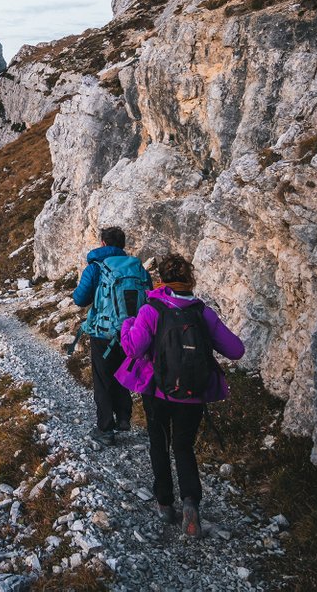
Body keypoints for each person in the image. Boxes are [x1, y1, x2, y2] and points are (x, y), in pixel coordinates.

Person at [115, 253, 245, 538]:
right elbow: (236, 350)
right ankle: (191, 502)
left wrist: (127, 325)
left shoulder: (152, 309)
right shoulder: (203, 313)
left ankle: (164, 504)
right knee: (183, 447)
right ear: (190, 279)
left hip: (158, 390)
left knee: (159, 444)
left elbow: (135, 349)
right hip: (193, 394)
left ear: (161, 279)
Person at [71, 226, 145, 446]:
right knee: (123, 374)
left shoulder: (96, 267)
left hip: (103, 333)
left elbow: (80, 299)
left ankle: (105, 429)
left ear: (103, 243)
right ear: (122, 244)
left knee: (103, 380)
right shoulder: (137, 267)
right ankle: (124, 417)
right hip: (132, 332)